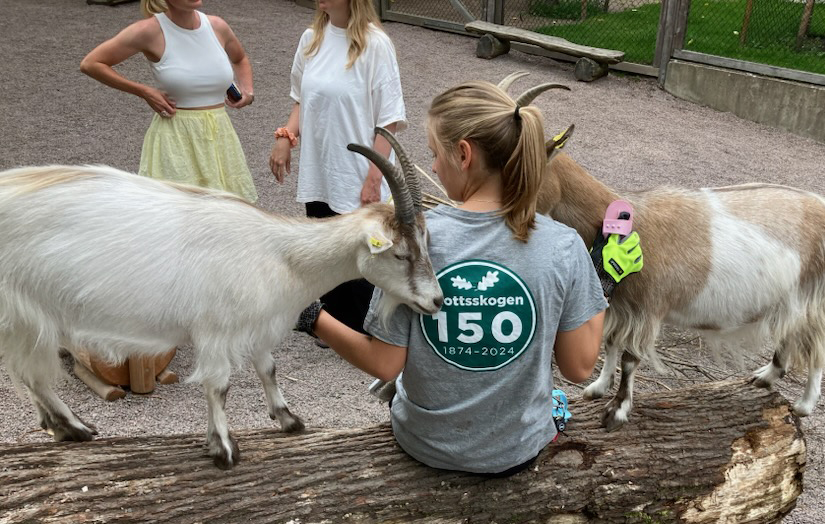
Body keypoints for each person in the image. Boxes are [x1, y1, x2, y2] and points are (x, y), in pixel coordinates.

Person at [295, 80, 610, 476]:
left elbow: (384, 364)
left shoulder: (416, 240)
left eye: (433, 154)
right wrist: (600, 284)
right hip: (517, 449)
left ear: (463, 154)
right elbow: (579, 368)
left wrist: (311, 317)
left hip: (426, 445)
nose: (431, 167)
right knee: (556, 399)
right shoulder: (563, 245)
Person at [269, 0, 407, 335]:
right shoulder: (311, 39)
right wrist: (286, 136)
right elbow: (301, 98)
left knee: (363, 252)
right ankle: (334, 325)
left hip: (358, 173)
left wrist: (375, 177)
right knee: (325, 246)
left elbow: (389, 119)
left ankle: (367, 329)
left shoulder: (375, 45)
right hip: (321, 169)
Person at [80, 0, 257, 202]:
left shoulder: (217, 26)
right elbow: (91, 63)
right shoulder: (149, 30)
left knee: (225, 217)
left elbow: (240, 58)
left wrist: (248, 91)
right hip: (176, 139)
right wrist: (143, 91)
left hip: (219, 136)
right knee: (178, 213)